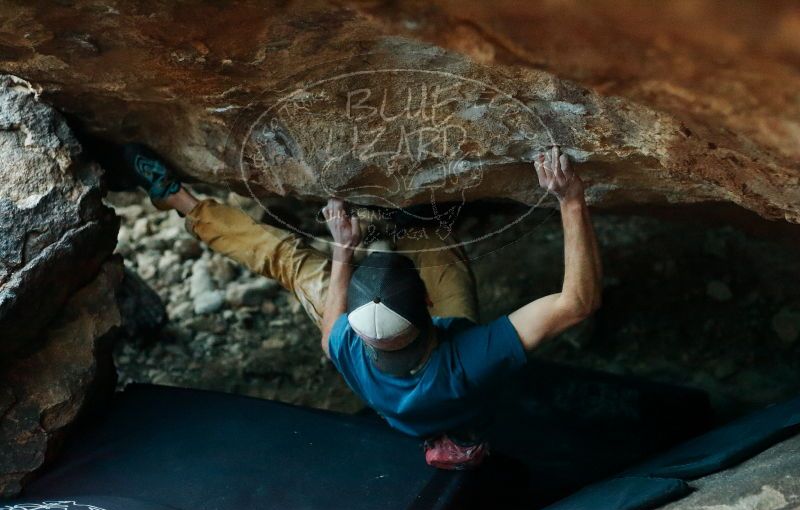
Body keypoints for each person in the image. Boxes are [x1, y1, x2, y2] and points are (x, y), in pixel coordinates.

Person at [121, 144, 602, 470]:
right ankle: (406, 226)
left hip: (368, 316)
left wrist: (342, 252)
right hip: (440, 366)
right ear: (428, 306)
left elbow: (331, 336)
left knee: (288, 260)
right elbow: (577, 302)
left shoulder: (351, 348)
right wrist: (571, 199)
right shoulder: (467, 360)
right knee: (435, 242)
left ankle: (181, 201)